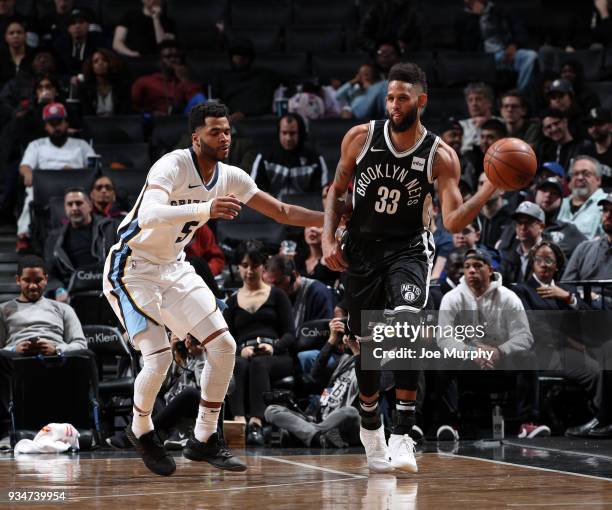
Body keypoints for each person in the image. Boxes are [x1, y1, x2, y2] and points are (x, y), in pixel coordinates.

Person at [102, 101, 323, 476]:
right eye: (215, 132)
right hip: (132, 268)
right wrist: (205, 209)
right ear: (195, 137)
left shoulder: (231, 176)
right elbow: (148, 215)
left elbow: (283, 212)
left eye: (227, 131)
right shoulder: (171, 165)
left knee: (223, 346)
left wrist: (333, 219)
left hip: (173, 266)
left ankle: (204, 438)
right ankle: (141, 429)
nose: (224, 138)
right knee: (158, 358)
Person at [322, 62, 504, 474]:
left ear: (421, 100)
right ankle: (372, 428)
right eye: (389, 96)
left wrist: (491, 186)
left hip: (407, 250)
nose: (393, 104)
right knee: (365, 345)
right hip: (362, 250)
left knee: (406, 328)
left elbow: (455, 221)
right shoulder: (360, 137)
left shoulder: (439, 155)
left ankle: (403, 433)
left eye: (402, 97)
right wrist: (329, 239)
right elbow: (336, 191)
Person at [435, 248, 549, 439]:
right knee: (443, 359)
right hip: (469, 362)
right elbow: (444, 338)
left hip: (500, 362)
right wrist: (472, 352)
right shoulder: (452, 298)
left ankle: (527, 423)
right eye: (467, 267)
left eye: (477, 266)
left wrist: (499, 351)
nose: (471, 271)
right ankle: (449, 424)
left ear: (490, 270)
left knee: (528, 357)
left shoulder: (508, 297)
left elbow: (525, 337)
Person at [0, 255, 96, 439]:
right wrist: (14, 349)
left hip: (56, 361)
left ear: (46, 279)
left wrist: (57, 349)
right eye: (27, 281)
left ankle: (86, 429)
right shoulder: (4, 310)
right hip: (17, 362)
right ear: (18, 280)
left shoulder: (63, 309)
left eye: (38, 280)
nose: (33, 286)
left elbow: (80, 343)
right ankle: (6, 430)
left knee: (86, 355)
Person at [223, 240, 295, 446]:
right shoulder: (232, 301)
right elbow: (227, 338)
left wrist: (274, 347)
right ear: (238, 267)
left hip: (276, 355)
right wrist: (240, 349)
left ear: (263, 265)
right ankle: (238, 422)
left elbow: (291, 334)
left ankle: (256, 422)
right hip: (245, 353)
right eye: (244, 266)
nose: (249, 271)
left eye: (254, 266)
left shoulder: (278, 295)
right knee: (239, 363)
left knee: (259, 363)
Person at [264, 316, 361, 448]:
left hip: (347, 424)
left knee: (350, 411)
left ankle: (305, 434)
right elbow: (315, 373)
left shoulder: (374, 363)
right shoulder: (343, 360)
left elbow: (377, 387)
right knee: (271, 410)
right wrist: (331, 341)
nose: (347, 339)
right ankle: (316, 436)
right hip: (320, 419)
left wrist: (357, 352)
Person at [17, 102, 95, 243]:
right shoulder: (36, 145)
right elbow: (25, 166)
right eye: (52, 123)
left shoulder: (81, 145)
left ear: (66, 123)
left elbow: (94, 167)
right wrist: (27, 174)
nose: (56, 127)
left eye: (59, 122)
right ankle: (24, 235)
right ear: (46, 126)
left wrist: (75, 172)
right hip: (45, 189)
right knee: (30, 193)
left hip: (75, 187)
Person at [44, 187, 118, 294]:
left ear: (90, 206)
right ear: (65, 208)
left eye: (79, 203)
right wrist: (58, 290)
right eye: (70, 204)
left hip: (108, 289)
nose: (74, 208)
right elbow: (49, 273)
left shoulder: (110, 228)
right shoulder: (53, 238)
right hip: (71, 293)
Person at [455, 0, 537, 93]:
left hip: (504, 52)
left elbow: (520, 32)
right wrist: (475, 17)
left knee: (530, 56)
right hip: (483, 58)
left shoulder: (501, 11)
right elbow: (466, 46)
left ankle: (521, 93)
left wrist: (513, 45)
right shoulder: (462, 17)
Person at [251, 113, 328, 199]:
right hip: (271, 208)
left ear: (300, 133)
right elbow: (253, 190)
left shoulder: (315, 160)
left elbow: (320, 194)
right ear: (278, 132)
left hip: (304, 209)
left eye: (292, 133)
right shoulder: (264, 157)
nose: (288, 138)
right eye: (284, 133)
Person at [563, 193, 612, 307]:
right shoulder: (584, 248)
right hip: (580, 310)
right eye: (605, 210)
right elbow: (566, 287)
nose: (608, 215)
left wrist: (598, 299)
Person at [131, 40, 202, 116]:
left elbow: (198, 102)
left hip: (181, 119)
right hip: (155, 120)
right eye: (168, 57)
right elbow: (133, 107)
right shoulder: (145, 81)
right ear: (160, 60)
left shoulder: (187, 80)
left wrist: (185, 80)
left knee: (199, 97)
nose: (173, 60)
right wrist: (151, 113)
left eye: (176, 56)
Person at [264, 254, 334, 331]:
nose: (272, 289)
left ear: (294, 275)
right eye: (268, 284)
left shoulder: (318, 293)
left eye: (277, 283)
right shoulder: (267, 292)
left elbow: (323, 332)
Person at [213, 38, 277, 119]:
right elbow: (216, 103)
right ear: (231, 57)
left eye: (244, 55)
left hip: (258, 119)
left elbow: (266, 104)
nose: (240, 58)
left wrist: (244, 114)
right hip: (229, 120)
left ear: (251, 58)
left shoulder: (264, 76)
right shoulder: (221, 77)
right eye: (237, 55)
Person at [532, 177, 587, 258]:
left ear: (561, 201)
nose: (548, 195)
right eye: (544, 190)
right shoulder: (519, 225)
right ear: (535, 194)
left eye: (554, 193)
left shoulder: (568, 230)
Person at [557, 155, 607, 239]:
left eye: (586, 174)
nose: (580, 178)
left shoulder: (607, 203)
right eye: (575, 174)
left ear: (598, 179)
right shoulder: (560, 203)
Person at [499, 202, 545, 285]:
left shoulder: (551, 253)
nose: (523, 227)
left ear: (541, 227)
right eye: (519, 223)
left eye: (528, 222)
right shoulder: (509, 252)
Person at [53, 9, 107, 78]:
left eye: (81, 22)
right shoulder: (60, 45)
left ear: (88, 25)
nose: (77, 26)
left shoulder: (99, 43)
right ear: (68, 28)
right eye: (73, 23)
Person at [78, 49, 131, 116]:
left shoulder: (122, 87)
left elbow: (124, 114)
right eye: (96, 61)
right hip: (92, 125)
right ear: (91, 67)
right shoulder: (85, 89)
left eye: (104, 60)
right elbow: (86, 115)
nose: (100, 63)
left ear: (111, 63)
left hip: (118, 125)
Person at [458, 82, 499, 154]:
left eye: (478, 99)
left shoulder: (500, 123)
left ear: (489, 103)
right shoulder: (461, 125)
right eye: (470, 100)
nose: (474, 104)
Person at [581, 107, 611, 188]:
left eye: (599, 124)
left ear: (610, 126)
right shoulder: (585, 152)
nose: (594, 128)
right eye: (590, 125)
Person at [0, 20, 33, 85]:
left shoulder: (34, 55)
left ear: (25, 36)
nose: (15, 36)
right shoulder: (1, 56)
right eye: (11, 33)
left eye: (19, 32)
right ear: (6, 37)